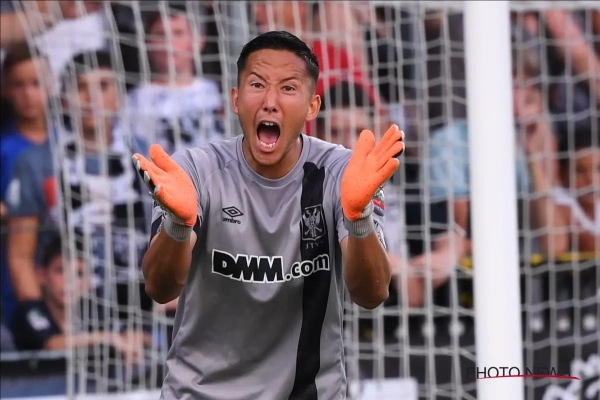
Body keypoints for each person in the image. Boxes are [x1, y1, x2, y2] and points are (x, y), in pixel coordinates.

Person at [133, 31, 404, 399]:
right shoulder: (195, 171)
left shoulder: (344, 173)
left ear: (312, 107)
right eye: (257, 85)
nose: (270, 102)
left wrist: (359, 219)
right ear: (235, 99)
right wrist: (179, 226)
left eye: (288, 88)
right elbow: (160, 288)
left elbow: (371, 294)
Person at [10, 233, 148, 362]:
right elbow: (51, 344)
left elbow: (141, 336)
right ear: (42, 276)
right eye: (60, 271)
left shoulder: (91, 310)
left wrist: (133, 337)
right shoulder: (31, 310)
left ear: (89, 282)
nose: (70, 282)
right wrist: (108, 337)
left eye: (79, 274)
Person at [124, 6, 224, 155]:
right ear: (148, 44)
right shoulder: (135, 100)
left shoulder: (217, 92)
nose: (168, 42)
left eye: (178, 33)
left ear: (198, 41)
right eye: (160, 34)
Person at [1, 42, 53, 326]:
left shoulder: (70, 143)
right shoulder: (5, 148)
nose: (28, 94)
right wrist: (14, 210)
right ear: (5, 89)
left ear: (52, 85)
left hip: (67, 278)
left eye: (36, 83)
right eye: (19, 85)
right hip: (14, 272)